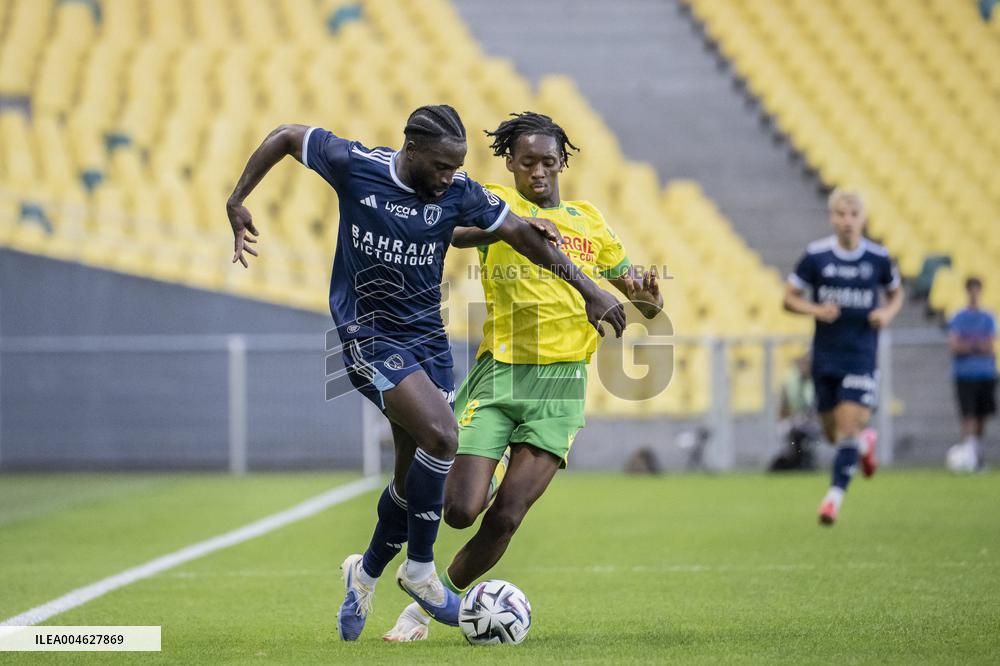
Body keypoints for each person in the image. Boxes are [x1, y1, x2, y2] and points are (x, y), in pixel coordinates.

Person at [225, 105, 627, 641]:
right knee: (442, 434)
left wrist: (591, 290)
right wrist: (237, 199)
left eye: (454, 168)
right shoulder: (354, 164)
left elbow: (523, 235)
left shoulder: (458, 190)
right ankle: (420, 572)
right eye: (439, 167)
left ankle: (364, 573)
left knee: (411, 483)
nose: (447, 179)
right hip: (368, 332)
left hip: (427, 341)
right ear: (411, 150)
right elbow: (284, 134)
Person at [383, 111, 662, 641]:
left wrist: (650, 297)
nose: (538, 171)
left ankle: (421, 611)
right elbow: (453, 232)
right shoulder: (496, 204)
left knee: (507, 516)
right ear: (509, 162)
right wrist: (507, 228)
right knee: (460, 510)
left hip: (560, 386)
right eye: (527, 161)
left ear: (562, 164)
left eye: (548, 162)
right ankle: (472, 482)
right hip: (500, 377)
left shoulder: (589, 221)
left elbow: (635, 296)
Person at [783, 188, 903, 526]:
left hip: (861, 355)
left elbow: (896, 293)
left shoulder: (878, 258)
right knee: (835, 434)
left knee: (847, 428)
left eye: (853, 214)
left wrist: (887, 313)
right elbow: (789, 298)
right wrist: (816, 309)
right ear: (831, 218)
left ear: (863, 218)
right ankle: (865, 446)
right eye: (841, 214)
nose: (847, 221)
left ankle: (832, 499)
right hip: (826, 356)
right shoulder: (816, 256)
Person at [947, 276, 996, 469]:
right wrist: (977, 345)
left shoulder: (988, 317)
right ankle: (968, 456)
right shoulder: (958, 317)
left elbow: (990, 346)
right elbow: (954, 346)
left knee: (982, 416)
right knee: (968, 415)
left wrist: (967, 345)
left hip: (986, 374)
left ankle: (976, 454)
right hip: (964, 374)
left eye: (977, 289)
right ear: (967, 291)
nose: (974, 293)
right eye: (971, 289)